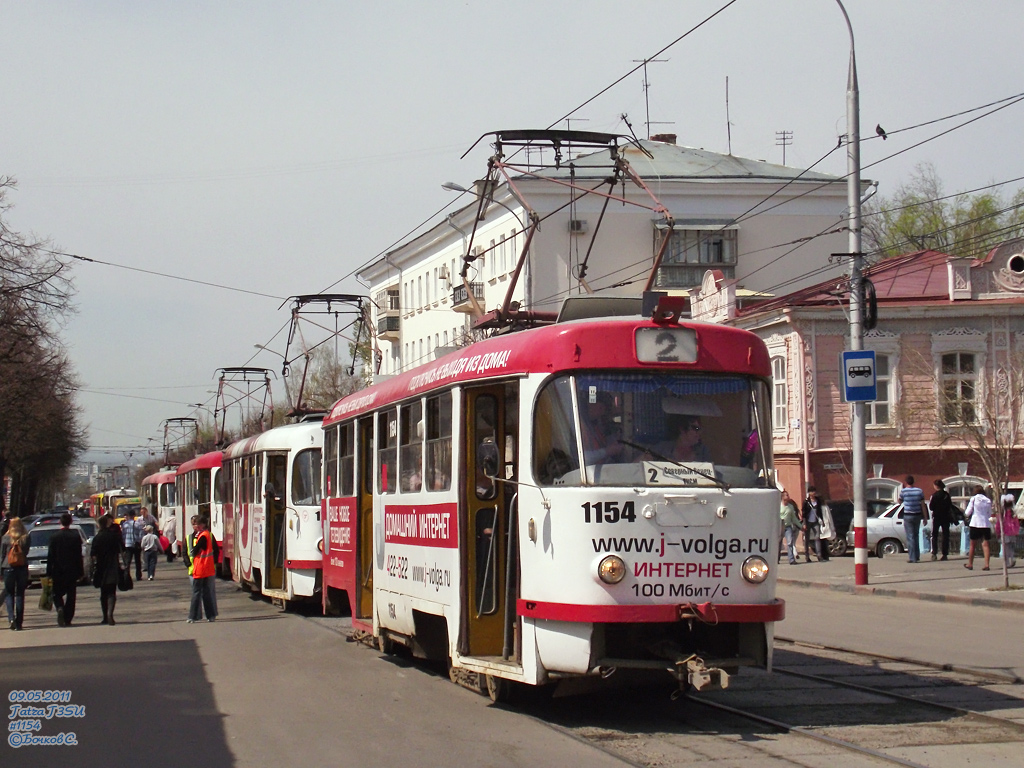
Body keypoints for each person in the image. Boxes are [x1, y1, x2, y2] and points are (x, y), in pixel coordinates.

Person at [46, 512, 84, 627]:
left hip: (57, 571)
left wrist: (48, 572)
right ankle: (68, 618)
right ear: (71, 522)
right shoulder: (75, 536)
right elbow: (79, 555)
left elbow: (50, 556)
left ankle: (60, 608)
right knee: (71, 596)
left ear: (60, 522)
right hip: (72, 571)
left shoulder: (54, 537)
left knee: (56, 594)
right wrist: (80, 571)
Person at [90, 514, 124, 625]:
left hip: (101, 567)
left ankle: (105, 616)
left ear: (99, 525)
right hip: (113, 565)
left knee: (103, 592)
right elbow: (122, 549)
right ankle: (110, 613)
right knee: (112, 592)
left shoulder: (97, 538)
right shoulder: (114, 536)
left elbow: (93, 554)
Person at [1, 518, 30, 630]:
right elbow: (26, 552)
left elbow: (2, 555)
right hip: (22, 567)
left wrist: (1, 571)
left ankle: (11, 618)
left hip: (8, 568)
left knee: (9, 594)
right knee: (20, 594)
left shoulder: (5, 538)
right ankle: (19, 622)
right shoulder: (25, 538)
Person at [188, 517, 218, 623]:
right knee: (207, 593)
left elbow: (195, 550)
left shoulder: (203, 536)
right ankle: (210, 616)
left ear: (203, 525)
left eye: (198, 524)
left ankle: (192, 616)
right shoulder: (206, 534)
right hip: (207, 568)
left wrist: (194, 550)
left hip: (200, 568)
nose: (196, 526)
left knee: (196, 593)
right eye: (195, 524)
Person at [963, 485, 993, 571]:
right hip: (985, 523)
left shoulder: (973, 499)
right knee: (986, 544)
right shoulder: (987, 500)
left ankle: (970, 564)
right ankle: (987, 565)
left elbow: (968, 512)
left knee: (973, 544)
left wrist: (965, 516)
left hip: (975, 523)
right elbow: (989, 513)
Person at [899, 476, 926, 563]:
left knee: (910, 537)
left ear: (906, 482)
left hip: (908, 515)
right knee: (916, 535)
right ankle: (917, 556)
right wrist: (925, 517)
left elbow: (899, 502)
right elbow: (923, 505)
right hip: (917, 515)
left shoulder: (903, 491)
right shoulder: (919, 491)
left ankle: (912, 557)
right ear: (913, 482)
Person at [928, 479, 955, 561]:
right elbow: (950, 506)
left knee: (935, 535)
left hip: (937, 517)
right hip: (946, 517)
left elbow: (931, 507)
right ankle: (945, 554)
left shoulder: (934, 495)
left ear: (936, 486)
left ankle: (934, 553)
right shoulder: (946, 495)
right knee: (945, 535)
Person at [994, 494, 1019, 569]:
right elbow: (1017, 523)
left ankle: (1007, 562)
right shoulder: (1013, 513)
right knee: (1011, 547)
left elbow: (999, 524)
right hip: (1012, 532)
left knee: (1005, 549)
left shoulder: (1002, 514)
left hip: (1005, 533)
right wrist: (1016, 531)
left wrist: (997, 532)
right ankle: (1012, 558)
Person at [801, 487, 823, 562]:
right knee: (807, 539)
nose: (813, 493)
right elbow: (803, 513)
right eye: (812, 491)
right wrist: (804, 523)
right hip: (808, 521)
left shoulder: (818, 500)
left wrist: (821, 520)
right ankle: (807, 556)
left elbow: (820, 511)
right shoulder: (806, 501)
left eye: (814, 491)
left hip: (816, 521)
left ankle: (819, 556)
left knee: (817, 537)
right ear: (809, 493)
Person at [121, 509, 144, 581]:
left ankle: (126, 575)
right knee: (137, 561)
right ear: (134, 516)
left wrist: (124, 542)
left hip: (128, 544)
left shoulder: (125, 524)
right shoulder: (137, 524)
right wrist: (140, 541)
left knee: (128, 561)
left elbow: (123, 535)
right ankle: (138, 576)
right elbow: (141, 534)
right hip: (136, 544)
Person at [779, 490, 801, 565]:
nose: (788, 497)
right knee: (779, 543)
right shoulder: (778, 506)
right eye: (786, 495)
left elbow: (794, 518)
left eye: (788, 495)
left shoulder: (790, 507)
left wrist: (800, 526)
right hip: (780, 526)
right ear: (782, 497)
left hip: (788, 527)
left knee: (790, 542)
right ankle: (777, 558)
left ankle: (791, 560)